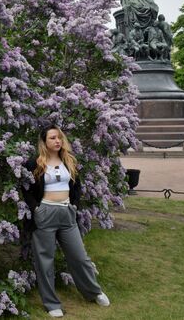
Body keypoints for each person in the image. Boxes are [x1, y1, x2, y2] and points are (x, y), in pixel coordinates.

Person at [21, 125, 110, 317]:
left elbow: (76, 188)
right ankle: (52, 304)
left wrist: (75, 206)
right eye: (52, 138)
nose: (57, 141)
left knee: (80, 257)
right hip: (45, 213)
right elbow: (26, 190)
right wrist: (36, 209)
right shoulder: (34, 164)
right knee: (45, 261)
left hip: (67, 213)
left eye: (59, 137)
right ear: (44, 142)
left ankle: (93, 292)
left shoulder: (69, 161)